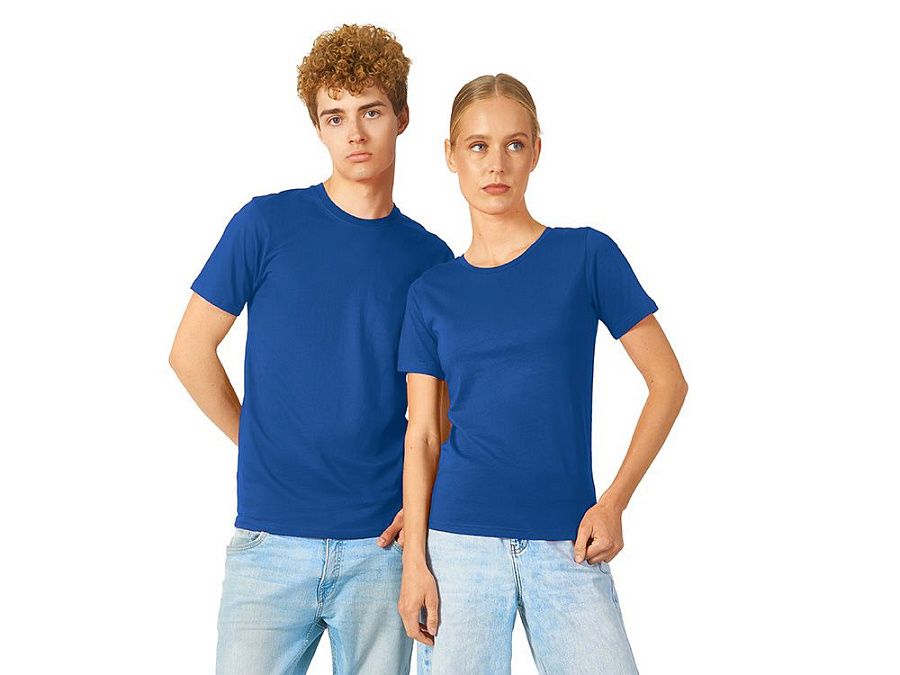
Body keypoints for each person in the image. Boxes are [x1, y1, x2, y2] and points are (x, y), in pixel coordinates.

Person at [168, 24, 453, 675]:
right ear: (318, 128)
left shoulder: (431, 260)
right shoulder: (265, 225)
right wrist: (255, 438)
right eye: (335, 117)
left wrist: (422, 508)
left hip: (383, 546)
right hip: (269, 540)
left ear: (402, 117)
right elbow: (190, 350)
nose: (354, 133)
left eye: (371, 112)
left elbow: (445, 410)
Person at [396, 73, 688, 674]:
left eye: (514, 144)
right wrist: (414, 562)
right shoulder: (431, 292)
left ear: (536, 151)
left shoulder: (586, 255)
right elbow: (422, 434)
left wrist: (614, 503)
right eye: (478, 145)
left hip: (568, 538)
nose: (496, 163)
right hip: (459, 543)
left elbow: (667, 383)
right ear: (450, 154)